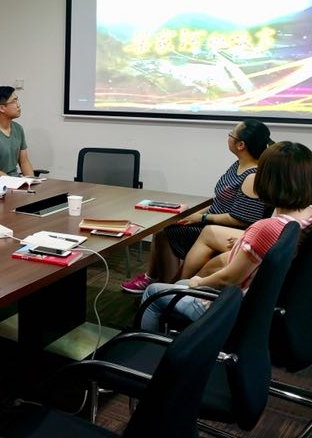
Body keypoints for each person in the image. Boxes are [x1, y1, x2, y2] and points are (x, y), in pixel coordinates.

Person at [139, 141, 312, 332]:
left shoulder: (265, 228)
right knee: (180, 284)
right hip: (265, 306)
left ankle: (147, 345)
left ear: (266, 180)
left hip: (230, 307)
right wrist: (246, 241)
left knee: (152, 293)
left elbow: (228, 279)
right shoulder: (305, 216)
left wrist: (199, 282)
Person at [122, 120, 272, 294]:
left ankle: (166, 287)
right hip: (211, 221)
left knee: (166, 233)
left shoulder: (252, 176)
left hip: (225, 230)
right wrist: (191, 215)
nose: (228, 138)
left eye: (231, 134)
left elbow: (241, 219)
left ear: (241, 145)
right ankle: (155, 280)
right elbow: (219, 201)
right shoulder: (238, 164)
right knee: (166, 225)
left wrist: (201, 217)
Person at [0, 86, 36, 178]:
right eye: (14, 101)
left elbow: (24, 161)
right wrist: (15, 183)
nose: (18, 105)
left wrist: (32, 181)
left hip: (16, 180)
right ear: (2, 108)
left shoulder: (18, 128)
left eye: (17, 100)